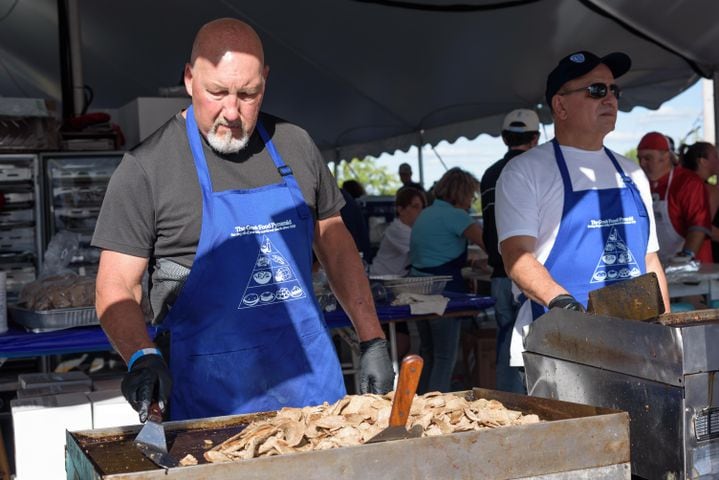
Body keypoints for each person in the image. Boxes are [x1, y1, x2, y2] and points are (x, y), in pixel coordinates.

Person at [92, 18, 393, 422]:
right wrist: (141, 356)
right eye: (217, 92)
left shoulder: (295, 145)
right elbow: (115, 286)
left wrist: (371, 336)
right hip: (210, 404)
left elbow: (336, 244)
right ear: (189, 79)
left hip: (312, 398)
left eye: (247, 94)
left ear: (265, 81)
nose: (231, 112)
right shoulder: (147, 168)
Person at [496, 51, 670, 373]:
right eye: (595, 90)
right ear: (560, 106)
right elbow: (517, 256)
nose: (609, 99)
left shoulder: (632, 173)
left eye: (613, 90)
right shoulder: (526, 171)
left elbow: (649, 261)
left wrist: (667, 334)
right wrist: (566, 307)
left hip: (634, 346)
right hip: (558, 347)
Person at [479, 109, 539, 394]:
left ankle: (504, 408)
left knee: (506, 343)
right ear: (536, 138)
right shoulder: (537, 168)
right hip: (532, 274)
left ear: (504, 138)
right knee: (533, 351)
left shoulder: (490, 174)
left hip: (499, 276)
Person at [409, 167, 485, 392]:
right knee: (445, 357)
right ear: (462, 193)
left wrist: (470, 262)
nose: (471, 200)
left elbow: (435, 251)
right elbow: (490, 244)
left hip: (416, 288)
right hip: (442, 293)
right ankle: (436, 407)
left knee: (428, 353)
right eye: (471, 195)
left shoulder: (427, 212)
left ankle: (419, 404)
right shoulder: (456, 216)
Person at [637, 132, 713, 263]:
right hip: (659, 263)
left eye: (648, 158)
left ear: (665, 156)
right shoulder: (641, 184)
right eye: (640, 158)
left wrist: (685, 258)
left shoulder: (688, 182)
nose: (642, 163)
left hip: (693, 268)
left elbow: (698, 226)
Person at [370, 186, 426, 277]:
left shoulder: (413, 229)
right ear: (400, 210)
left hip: (395, 278)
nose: (421, 211)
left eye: (422, 207)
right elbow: (421, 252)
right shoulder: (397, 230)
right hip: (380, 278)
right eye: (415, 207)